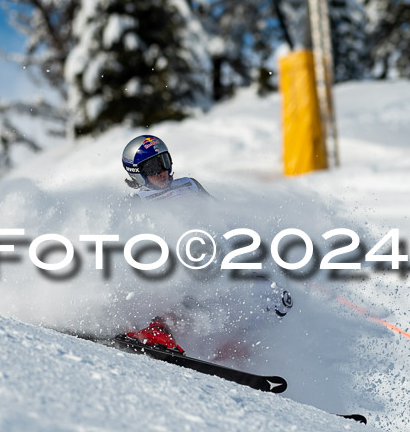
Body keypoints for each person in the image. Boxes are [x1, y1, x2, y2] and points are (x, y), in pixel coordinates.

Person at [120, 134, 293, 357]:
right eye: (153, 167)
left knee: (276, 298)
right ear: (138, 174)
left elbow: (221, 217)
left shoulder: (189, 185)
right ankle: (158, 327)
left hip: (218, 256)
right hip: (170, 267)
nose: (162, 171)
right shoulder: (137, 202)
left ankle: (228, 342)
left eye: (164, 162)